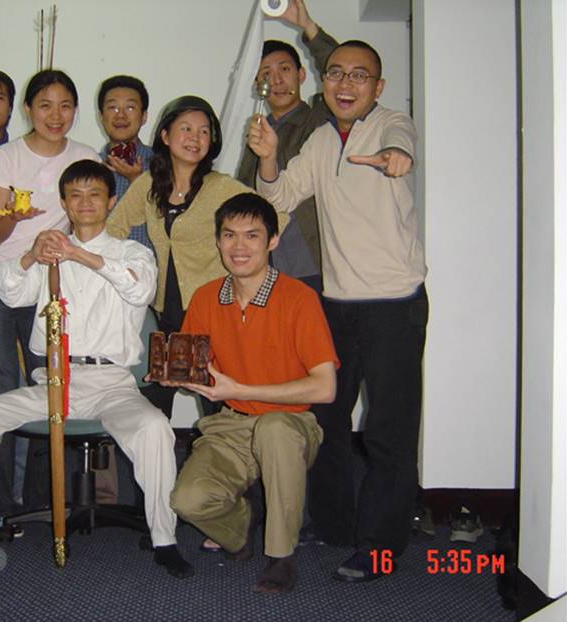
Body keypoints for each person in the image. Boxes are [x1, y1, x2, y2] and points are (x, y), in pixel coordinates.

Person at [0, 160, 193, 579]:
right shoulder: (47, 254)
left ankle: (165, 539)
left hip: (111, 385)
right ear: (65, 204)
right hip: (54, 381)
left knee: (154, 428)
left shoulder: (132, 252)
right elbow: (6, 291)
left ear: (111, 201)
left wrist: (79, 255)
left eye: (95, 195)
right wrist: (30, 257)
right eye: (75, 195)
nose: (85, 203)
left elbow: (140, 289)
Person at [249, 40, 428, 582]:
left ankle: (380, 547)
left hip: (394, 304)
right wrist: (267, 158)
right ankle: (335, 526)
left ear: (378, 86)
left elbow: (401, 147)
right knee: (326, 420)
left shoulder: (394, 123)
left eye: (359, 75)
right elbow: (279, 197)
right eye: (336, 74)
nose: (345, 84)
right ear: (324, 83)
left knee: (388, 429)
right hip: (337, 304)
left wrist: (396, 157)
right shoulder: (322, 140)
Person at [167, 193, 337, 594]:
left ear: (272, 241)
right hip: (232, 423)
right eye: (229, 235)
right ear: (218, 241)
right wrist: (177, 375)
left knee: (275, 430)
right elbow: (191, 363)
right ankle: (241, 530)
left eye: (251, 235)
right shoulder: (206, 297)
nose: (238, 247)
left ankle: (281, 555)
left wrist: (240, 388)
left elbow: (325, 387)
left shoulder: (299, 298)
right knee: (187, 501)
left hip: (291, 423)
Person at [0, 69, 99, 515]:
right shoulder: (7, 156)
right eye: (45, 105)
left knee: (48, 382)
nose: (55, 115)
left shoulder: (85, 156)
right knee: (0, 383)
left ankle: (42, 497)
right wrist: (14, 213)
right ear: (28, 109)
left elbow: (91, 219)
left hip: (49, 278)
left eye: (65, 106)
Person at [107, 96, 273, 415]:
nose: (195, 138)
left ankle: (220, 448)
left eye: (204, 131)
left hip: (212, 312)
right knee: (155, 407)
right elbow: (114, 229)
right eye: (186, 128)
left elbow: (273, 216)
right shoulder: (149, 183)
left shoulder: (221, 187)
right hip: (163, 312)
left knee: (216, 400)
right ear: (165, 135)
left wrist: (243, 259)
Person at [236, 0, 337, 290]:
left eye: (284, 69)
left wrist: (308, 26)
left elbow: (339, 72)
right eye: (266, 73)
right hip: (267, 265)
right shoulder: (257, 133)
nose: (277, 80)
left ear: (301, 75)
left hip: (315, 261)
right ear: (258, 83)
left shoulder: (320, 118)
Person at [97, 74, 154, 250]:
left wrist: (137, 181)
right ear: (101, 116)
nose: (120, 115)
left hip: (148, 264)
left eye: (130, 107)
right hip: (97, 263)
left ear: (144, 116)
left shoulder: (163, 163)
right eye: (112, 107)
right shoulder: (91, 165)